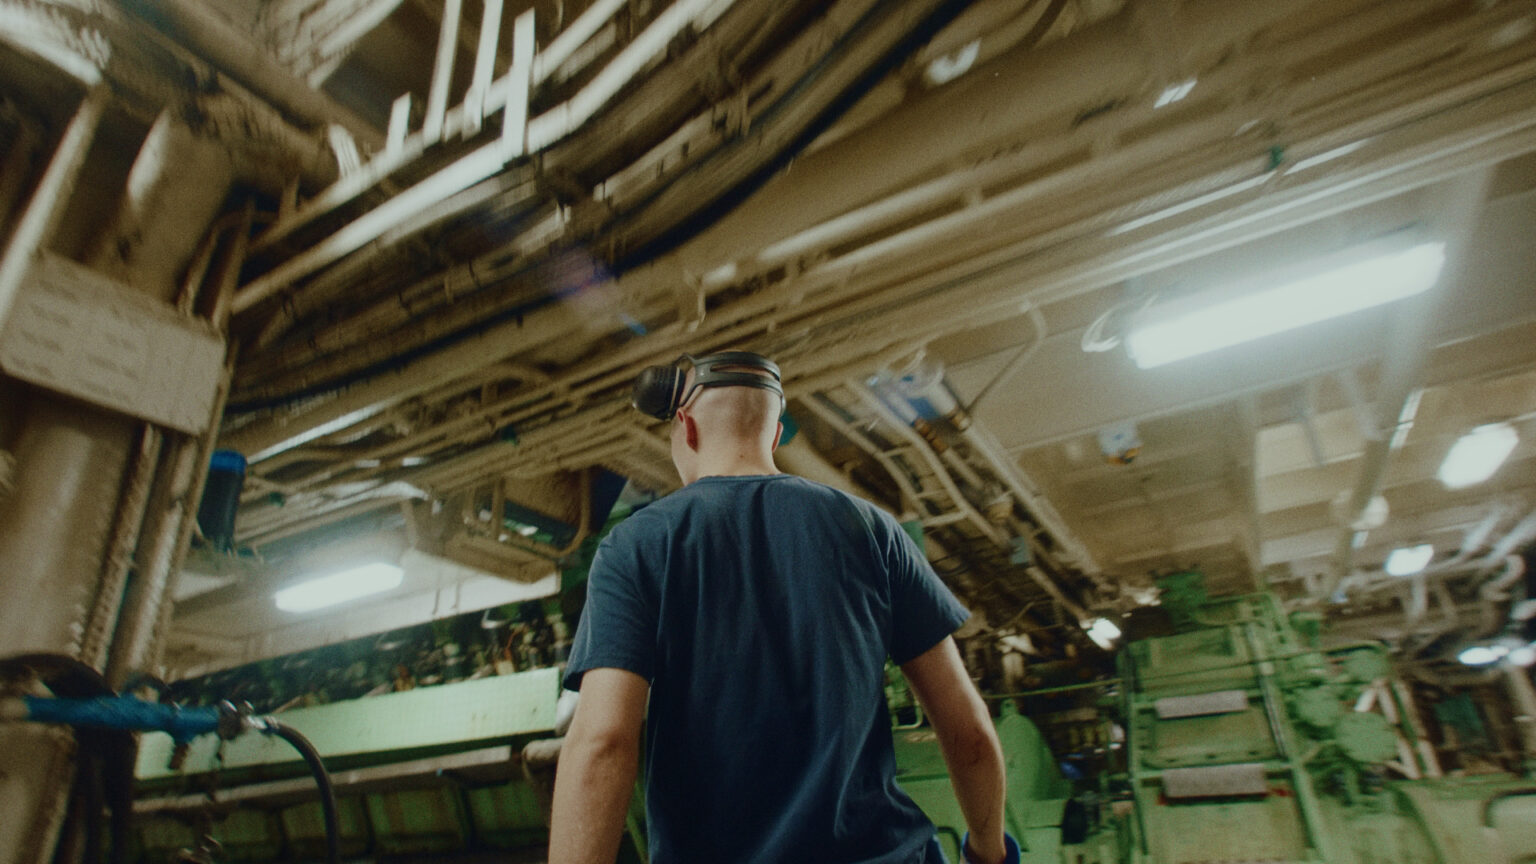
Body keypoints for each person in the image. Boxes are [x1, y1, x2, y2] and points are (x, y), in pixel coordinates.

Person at [548, 352, 1016, 864]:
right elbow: (967, 731)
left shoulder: (636, 546)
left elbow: (603, 744)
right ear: (773, 436)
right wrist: (989, 852)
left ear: (686, 427)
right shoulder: (874, 532)